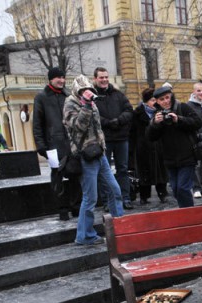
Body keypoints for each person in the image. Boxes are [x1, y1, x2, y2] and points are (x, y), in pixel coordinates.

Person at [63, 74, 123, 245]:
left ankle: (119, 227)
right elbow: (78, 126)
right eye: (83, 90)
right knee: (90, 198)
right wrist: (86, 106)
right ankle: (84, 236)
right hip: (85, 156)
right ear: (77, 90)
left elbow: (97, 127)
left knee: (114, 190)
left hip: (99, 153)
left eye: (89, 89)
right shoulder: (70, 103)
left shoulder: (92, 102)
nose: (87, 92)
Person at [33, 67, 81, 221]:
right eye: (57, 78)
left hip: (71, 144)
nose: (61, 80)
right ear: (50, 79)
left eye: (63, 77)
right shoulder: (41, 98)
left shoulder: (69, 96)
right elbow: (37, 124)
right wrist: (41, 146)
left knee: (75, 176)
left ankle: (76, 207)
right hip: (53, 146)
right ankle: (62, 209)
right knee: (57, 178)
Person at [146, 86, 202, 208]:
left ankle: (188, 214)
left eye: (167, 97)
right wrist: (155, 124)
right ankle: (185, 211)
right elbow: (150, 137)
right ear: (157, 101)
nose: (166, 101)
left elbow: (198, 122)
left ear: (171, 96)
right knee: (176, 189)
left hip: (187, 156)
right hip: (169, 159)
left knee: (183, 188)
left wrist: (179, 119)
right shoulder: (157, 115)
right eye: (162, 99)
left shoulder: (182, 107)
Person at [93, 67, 134, 209]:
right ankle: (107, 201)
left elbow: (129, 111)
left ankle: (125, 198)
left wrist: (119, 120)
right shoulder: (92, 97)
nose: (104, 80)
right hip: (104, 140)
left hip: (121, 138)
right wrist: (108, 123)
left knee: (123, 169)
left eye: (106, 77)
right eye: (101, 77)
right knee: (104, 171)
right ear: (95, 79)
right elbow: (93, 116)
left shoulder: (118, 94)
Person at [129, 88, 168, 204]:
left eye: (156, 100)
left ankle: (162, 193)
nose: (155, 102)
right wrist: (133, 149)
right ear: (146, 102)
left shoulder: (161, 112)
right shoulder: (137, 114)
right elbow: (132, 133)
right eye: (152, 100)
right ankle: (144, 196)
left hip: (159, 146)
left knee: (161, 170)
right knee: (144, 172)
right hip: (143, 147)